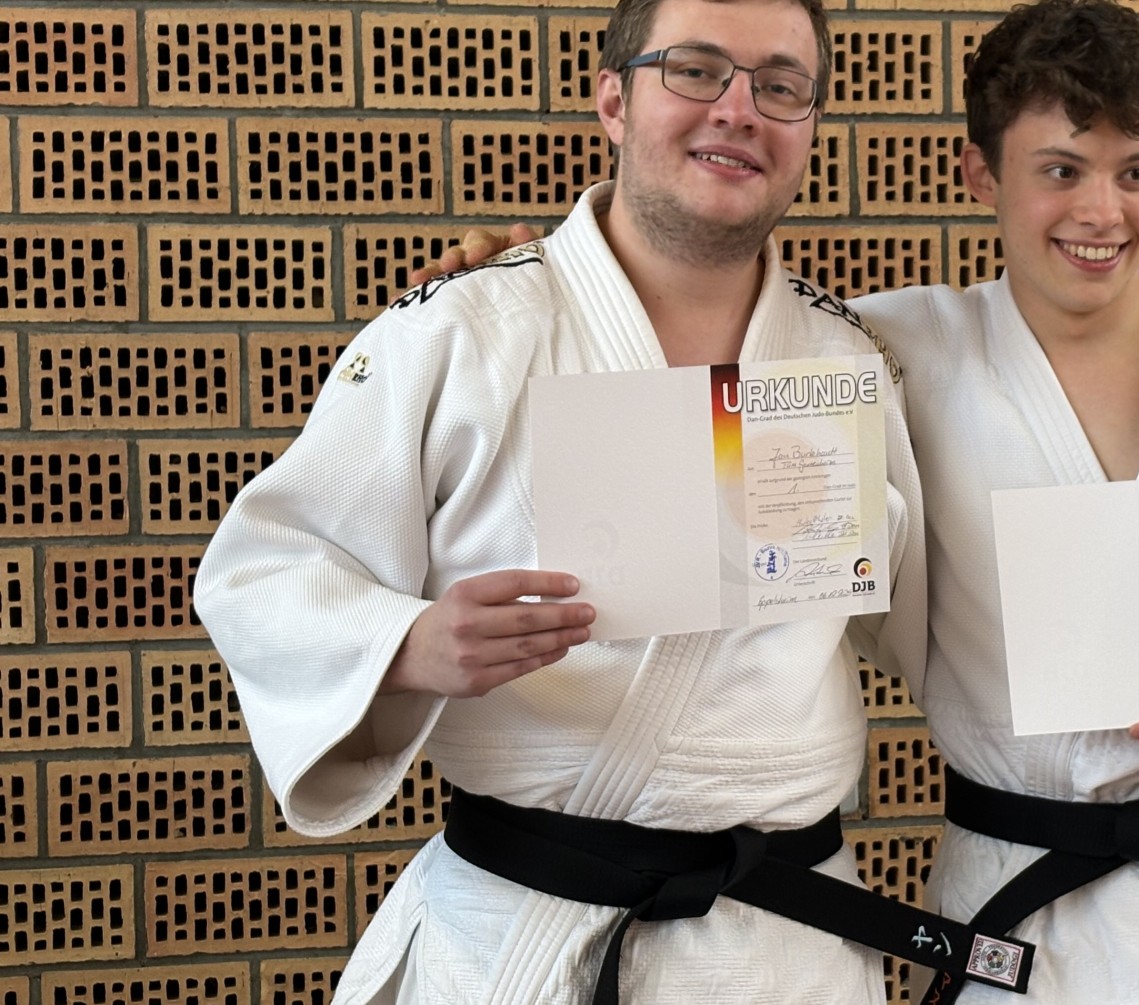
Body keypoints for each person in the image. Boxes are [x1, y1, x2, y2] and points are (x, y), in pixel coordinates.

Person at [424, 2, 1139, 1000]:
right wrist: (531, 290)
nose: (1102, 213)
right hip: (1018, 910)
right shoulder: (883, 357)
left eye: (1135, 172)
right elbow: (699, 382)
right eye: (1061, 170)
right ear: (982, 174)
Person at [192, 0, 934, 1001]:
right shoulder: (464, 331)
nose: (739, 109)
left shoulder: (848, 363)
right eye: (696, 69)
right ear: (613, 102)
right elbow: (264, 569)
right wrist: (407, 644)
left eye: (780, 85)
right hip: (520, 936)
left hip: (785, 958)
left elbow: (941, 623)